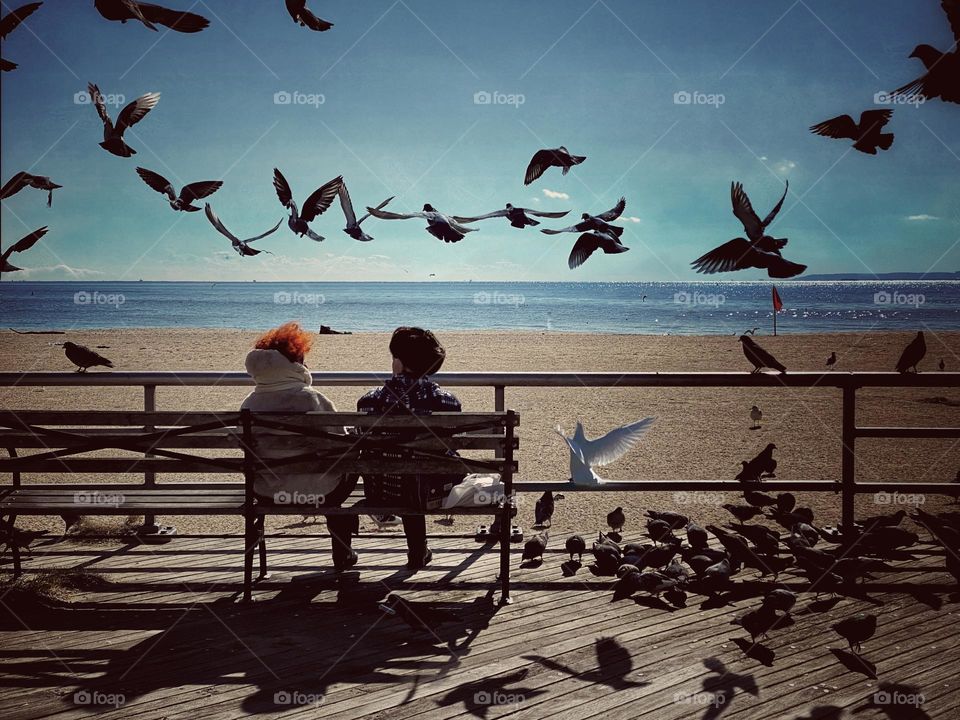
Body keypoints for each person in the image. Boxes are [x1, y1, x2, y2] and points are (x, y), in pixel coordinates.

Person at [240, 322, 358, 571]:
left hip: (266, 492)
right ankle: (342, 555)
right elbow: (340, 444)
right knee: (349, 466)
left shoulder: (248, 404)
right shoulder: (312, 398)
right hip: (321, 492)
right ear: (295, 364)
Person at [357, 327, 463, 570]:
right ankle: (418, 553)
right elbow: (451, 440)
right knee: (418, 469)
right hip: (432, 490)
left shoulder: (369, 401)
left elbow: (364, 440)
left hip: (383, 490)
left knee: (402, 468)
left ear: (398, 362)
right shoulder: (446, 401)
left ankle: (417, 552)